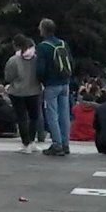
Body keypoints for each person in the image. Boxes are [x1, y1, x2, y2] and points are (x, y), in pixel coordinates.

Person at [36, 18, 72, 156]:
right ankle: (65, 143)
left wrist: (41, 80)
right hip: (65, 83)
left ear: (43, 30)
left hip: (51, 84)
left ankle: (57, 144)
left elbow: (40, 69)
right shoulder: (63, 43)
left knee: (52, 115)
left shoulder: (43, 46)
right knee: (64, 114)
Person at [4, 35, 40, 154]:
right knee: (34, 117)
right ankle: (32, 141)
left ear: (15, 45)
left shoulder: (13, 60)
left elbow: (8, 77)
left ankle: (26, 144)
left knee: (22, 118)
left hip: (18, 92)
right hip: (34, 90)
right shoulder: (36, 58)